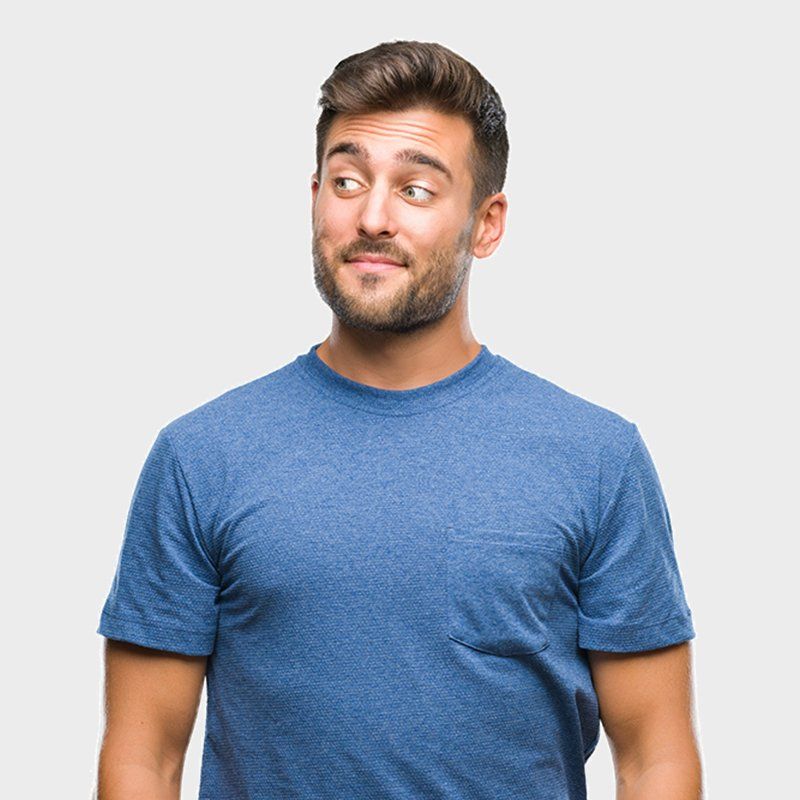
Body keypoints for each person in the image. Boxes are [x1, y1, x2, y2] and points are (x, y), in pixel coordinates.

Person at [95, 40, 702, 800]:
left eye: (416, 190)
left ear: (487, 223)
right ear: (314, 195)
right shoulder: (200, 457)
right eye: (347, 182)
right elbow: (141, 757)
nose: (372, 217)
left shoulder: (597, 458)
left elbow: (656, 757)